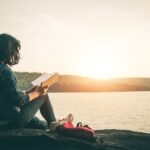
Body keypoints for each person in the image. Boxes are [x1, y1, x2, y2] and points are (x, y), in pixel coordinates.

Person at [0, 33, 72, 130]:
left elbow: (7, 96)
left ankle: (59, 122)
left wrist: (28, 91)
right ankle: (56, 125)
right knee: (44, 96)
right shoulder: (5, 71)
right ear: (7, 51)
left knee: (40, 124)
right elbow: (18, 101)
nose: (16, 53)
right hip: (11, 121)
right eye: (15, 50)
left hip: (4, 119)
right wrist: (37, 93)